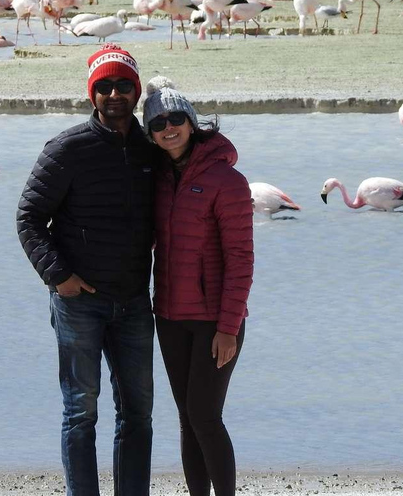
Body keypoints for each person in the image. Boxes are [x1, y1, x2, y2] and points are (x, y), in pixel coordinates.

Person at [16, 44, 159, 496]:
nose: (114, 94)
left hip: (135, 301)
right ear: (91, 94)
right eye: (104, 86)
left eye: (123, 85)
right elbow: (29, 218)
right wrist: (58, 277)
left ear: (136, 91)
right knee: (81, 412)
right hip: (79, 302)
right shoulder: (67, 149)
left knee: (137, 413)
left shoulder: (151, 147)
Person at [142, 77, 254, 496]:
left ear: (191, 122)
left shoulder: (228, 181)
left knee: (206, 416)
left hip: (215, 322)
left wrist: (228, 327)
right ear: (149, 134)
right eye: (157, 123)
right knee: (188, 418)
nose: (167, 128)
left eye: (175, 118)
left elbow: (241, 260)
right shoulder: (158, 179)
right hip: (170, 317)